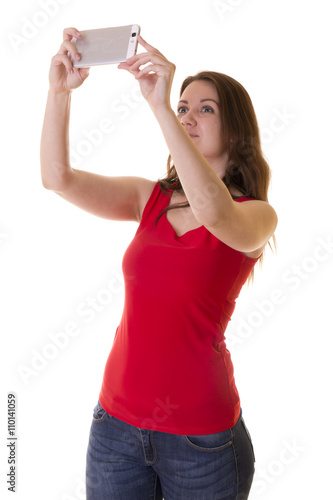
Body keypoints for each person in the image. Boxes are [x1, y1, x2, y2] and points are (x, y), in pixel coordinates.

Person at [40, 27, 278, 500]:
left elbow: (214, 211)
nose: (189, 116)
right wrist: (59, 92)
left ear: (237, 130)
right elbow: (57, 178)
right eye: (184, 107)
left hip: (202, 443)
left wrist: (161, 106)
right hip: (115, 430)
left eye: (204, 110)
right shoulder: (149, 198)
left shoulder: (256, 215)